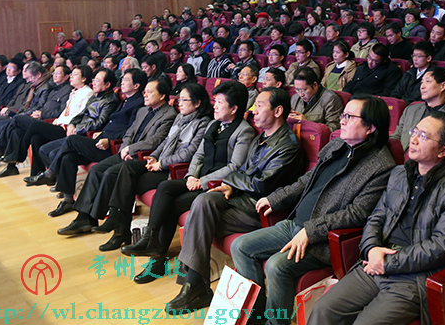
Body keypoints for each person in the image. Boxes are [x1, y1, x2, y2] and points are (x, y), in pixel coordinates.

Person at [232, 95, 396, 325]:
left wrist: (311, 231)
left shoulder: (381, 166)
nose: (342, 120)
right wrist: (275, 198)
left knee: (277, 266)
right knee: (240, 246)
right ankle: (256, 316)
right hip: (294, 224)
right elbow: (307, 180)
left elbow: (357, 213)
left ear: (371, 127)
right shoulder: (337, 145)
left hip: (322, 240)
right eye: (343, 115)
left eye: (349, 117)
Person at [306, 111, 445, 325]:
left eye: (423, 136)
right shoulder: (399, 174)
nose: (413, 140)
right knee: (322, 309)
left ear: (443, 150)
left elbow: (440, 247)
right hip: (376, 261)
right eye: (414, 132)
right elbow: (376, 217)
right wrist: (371, 248)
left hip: (413, 276)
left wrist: (387, 262)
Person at [162, 87, 304, 314]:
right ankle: (194, 284)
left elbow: (261, 184)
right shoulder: (261, 138)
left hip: (261, 209)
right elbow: (245, 173)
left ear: (278, 111)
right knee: (202, 202)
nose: (253, 111)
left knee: (198, 221)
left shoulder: (288, 145)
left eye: (259, 105)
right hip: (241, 199)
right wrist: (231, 184)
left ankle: (195, 285)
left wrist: (231, 180)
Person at [120, 81, 256, 282]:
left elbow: (235, 167)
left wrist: (202, 181)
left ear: (234, 108)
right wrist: (191, 175)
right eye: (215, 101)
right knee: (166, 187)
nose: (215, 106)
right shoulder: (213, 124)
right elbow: (199, 155)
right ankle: (151, 239)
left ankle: (157, 260)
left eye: (220, 102)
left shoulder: (244, 131)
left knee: (172, 204)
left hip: (215, 186)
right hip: (197, 179)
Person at [91, 82, 213, 251]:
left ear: (197, 103)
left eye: (184, 100)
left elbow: (189, 153)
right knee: (125, 169)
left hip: (174, 169)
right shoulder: (180, 117)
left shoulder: (203, 123)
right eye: (179, 99)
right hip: (160, 161)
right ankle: (115, 217)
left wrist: (160, 163)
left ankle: (121, 230)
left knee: (126, 183)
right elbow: (166, 142)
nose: (180, 103)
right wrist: (154, 156)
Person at [57, 80, 178, 236]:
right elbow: (129, 133)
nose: (145, 95)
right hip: (126, 152)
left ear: (162, 95)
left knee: (109, 173)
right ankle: (84, 218)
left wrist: (131, 149)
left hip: (144, 156)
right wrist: (124, 148)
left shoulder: (169, 114)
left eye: (150, 92)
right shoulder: (143, 110)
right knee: (95, 170)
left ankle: (96, 217)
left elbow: (156, 140)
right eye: (145, 91)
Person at [23, 69, 147, 216]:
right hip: (100, 139)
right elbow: (112, 123)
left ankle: (50, 173)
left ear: (136, 85)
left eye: (126, 80)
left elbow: (131, 129)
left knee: (71, 140)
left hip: (111, 147)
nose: (122, 83)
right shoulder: (126, 101)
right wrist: (99, 132)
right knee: (68, 157)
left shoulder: (138, 103)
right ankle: (68, 200)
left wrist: (109, 139)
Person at [391, 66, 445, 150]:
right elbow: (395, 137)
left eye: (428, 81)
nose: (422, 86)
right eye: (422, 82)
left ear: (443, 86)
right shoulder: (410, 110)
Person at [289, 67, 344, 132]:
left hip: (314, 137)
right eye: (297, 90)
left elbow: (333, 130)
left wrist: (307, 124)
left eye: (304, 90)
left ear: (315, 85)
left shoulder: (331, 100)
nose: (301, 94)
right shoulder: (295, 98)